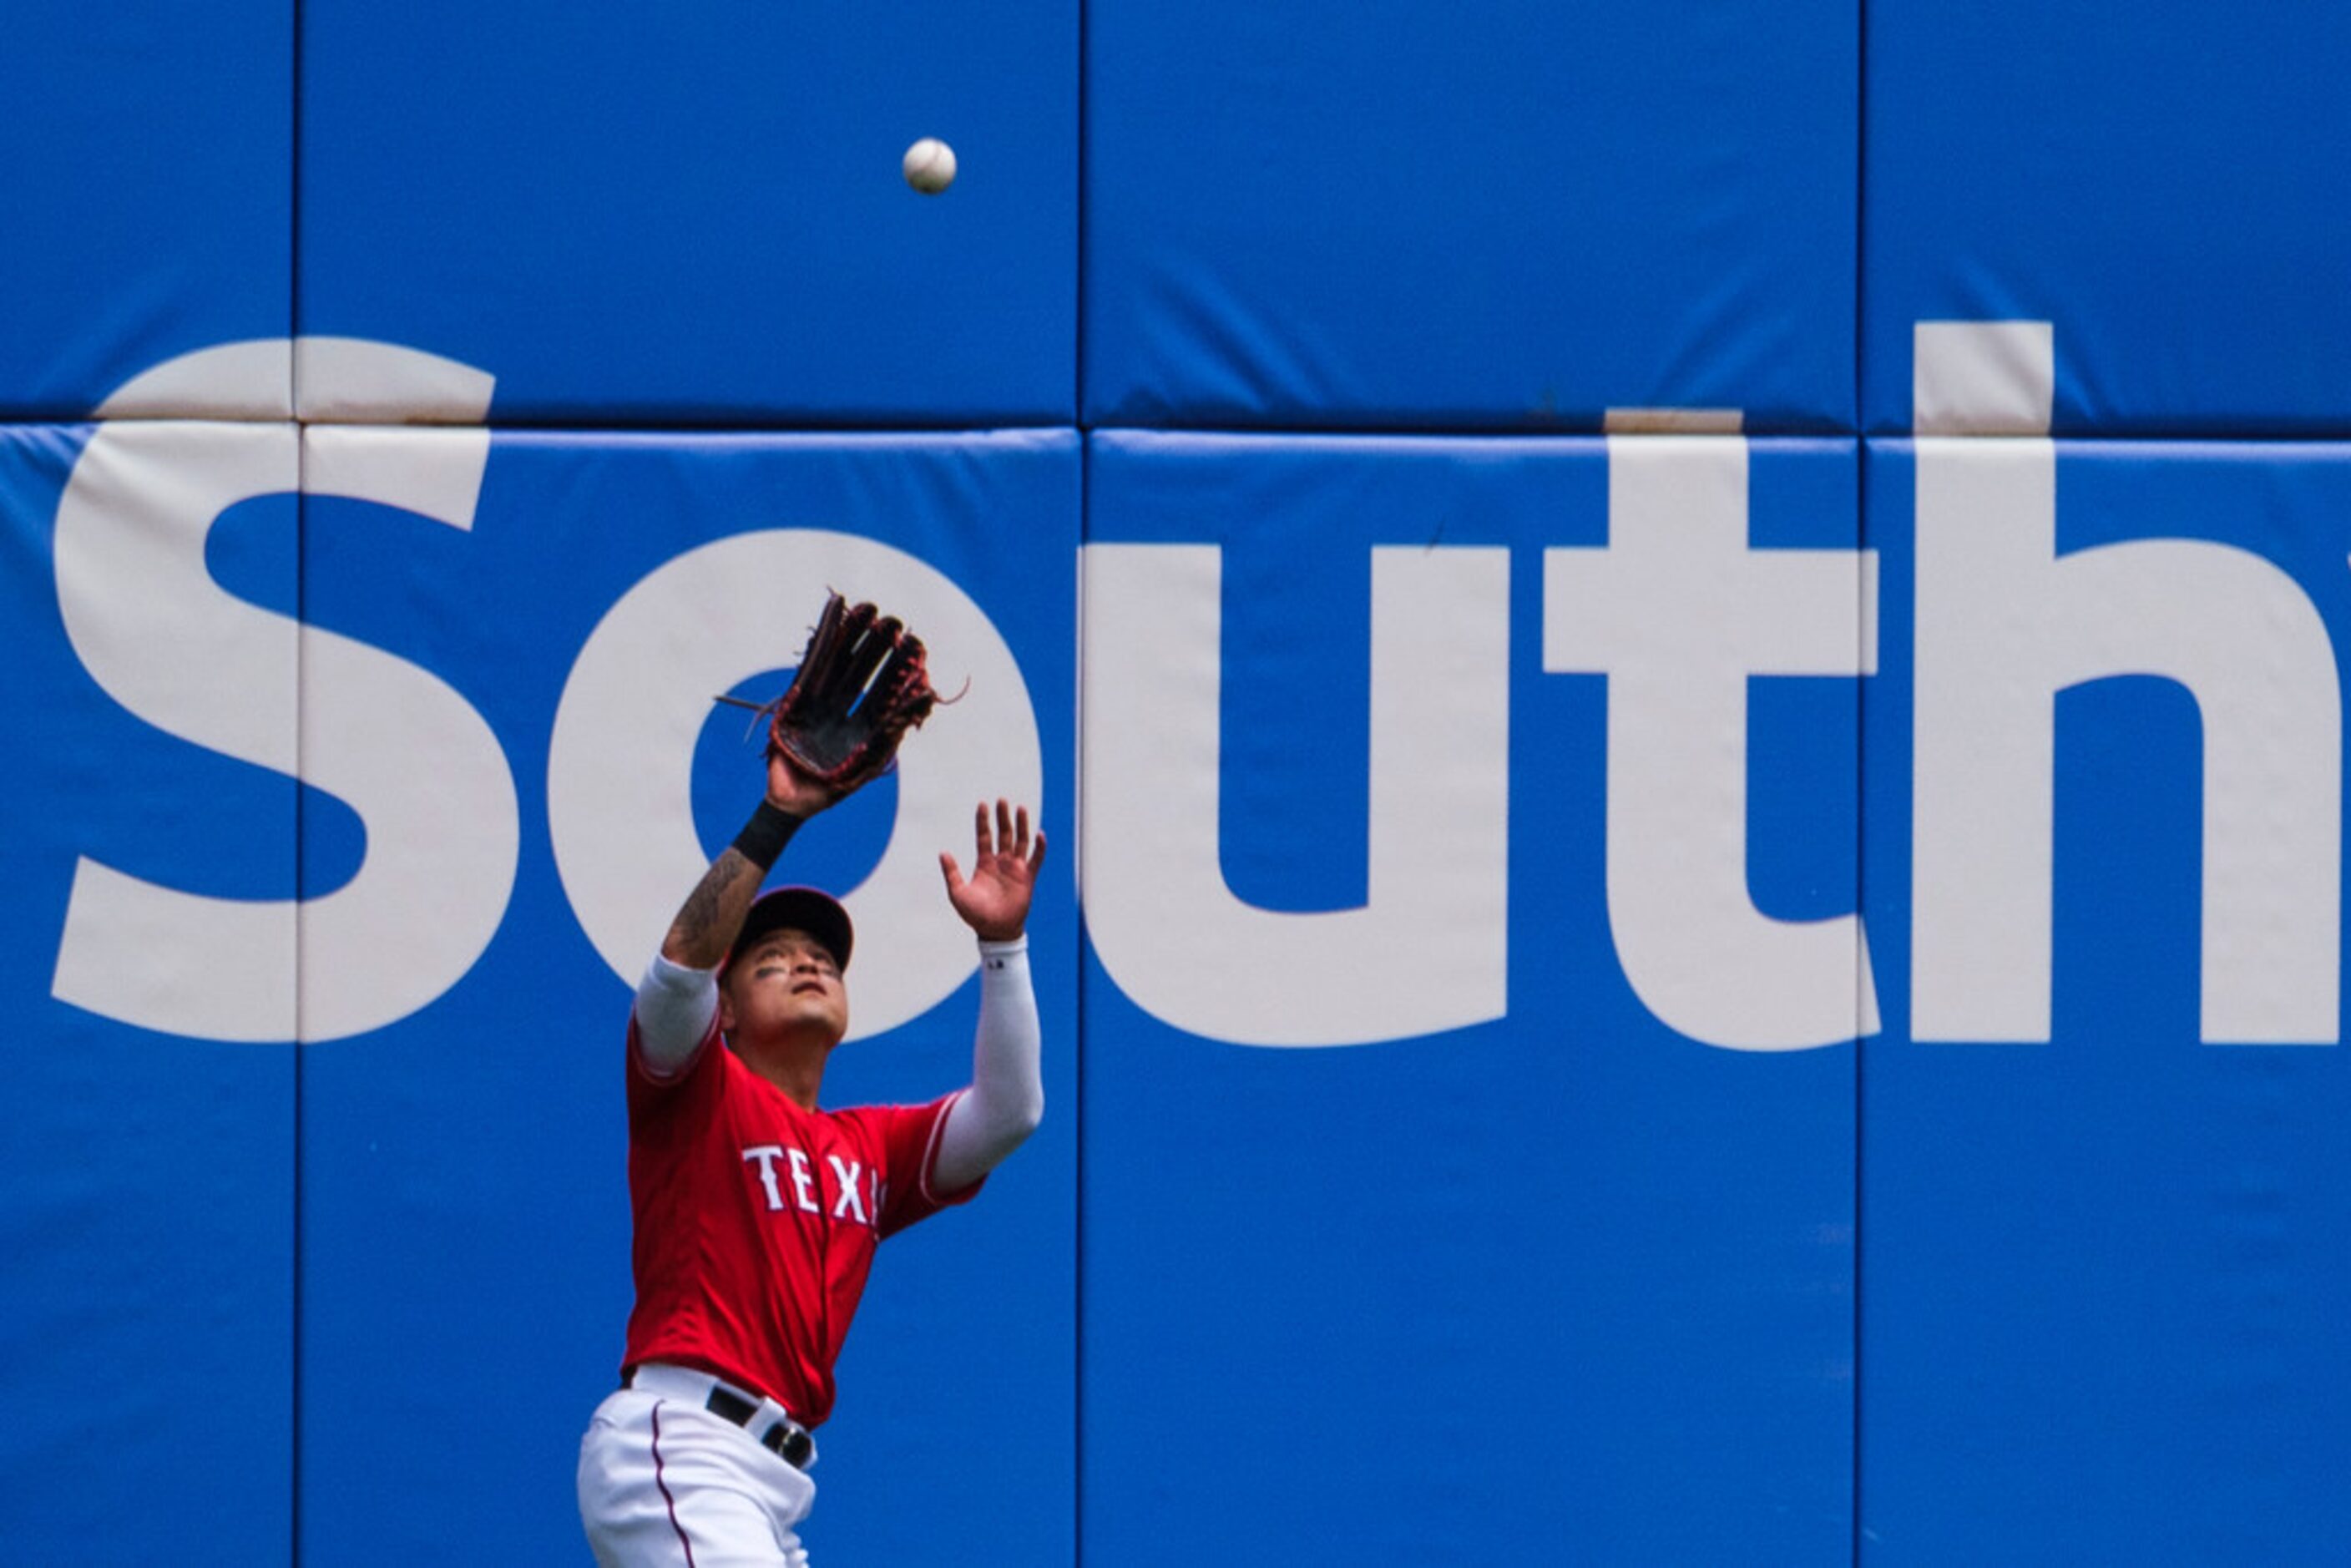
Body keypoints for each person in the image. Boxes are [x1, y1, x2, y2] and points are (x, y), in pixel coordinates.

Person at [577, 738, 1044, 1568]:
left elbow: (1008, 1113)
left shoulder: (867, 1146)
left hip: (772, 1479)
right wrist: (777, 818)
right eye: (772, 960)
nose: (805, 963)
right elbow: (677, 972)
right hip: (682, 1443)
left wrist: (1002, 948)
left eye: (822, 959)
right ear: (724, 1011)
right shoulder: (693, 1091)